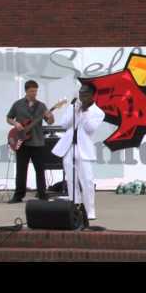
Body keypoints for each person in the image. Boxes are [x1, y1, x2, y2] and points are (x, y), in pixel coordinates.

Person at [52, 84, 105, 220]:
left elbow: (89, 129)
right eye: (81, 94)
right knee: (71, 179)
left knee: (86, 180)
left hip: (83, 149)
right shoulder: (74, 107)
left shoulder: (98, 112)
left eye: (85, 95)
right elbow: (64, 124)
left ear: (92, 96)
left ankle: (90, 210)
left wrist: (85, 113)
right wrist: (74, 110)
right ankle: (74, 208)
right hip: (69, 147)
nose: (82, 97)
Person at [6, 80, 55, 203]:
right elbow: (8, 118)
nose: (34, 93)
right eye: (32, 91)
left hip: (37, 142)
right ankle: (18, 195)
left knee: (40, 169)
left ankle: (42, 193)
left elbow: (50, 122)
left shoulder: (42, 106)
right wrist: (16, 123)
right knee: (21, 169)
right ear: (26, 91)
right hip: (22, 142)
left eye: (36, 91)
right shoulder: (18, 104)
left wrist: (50, 116)